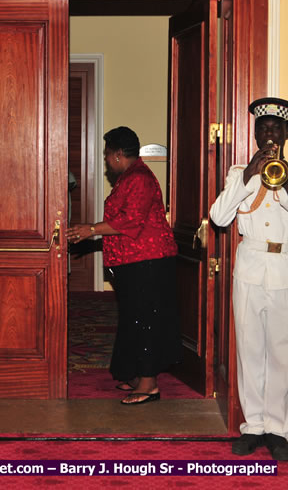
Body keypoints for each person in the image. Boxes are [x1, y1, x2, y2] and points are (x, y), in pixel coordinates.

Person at [209, 97, 288, 461]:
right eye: (263, 129)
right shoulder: (237, 173)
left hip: (287, 269)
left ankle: (279, 430)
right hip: (251, 266)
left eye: (276, 129)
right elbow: (218, 217)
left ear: (287, 133)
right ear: (256, 134)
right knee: (250, 350)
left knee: (285, 353)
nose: (270, 134)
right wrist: (247, 179)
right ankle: (253, 427)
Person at [65, 126, 181, 405]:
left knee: (146, 321)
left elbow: (131, 220)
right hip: (135, 262)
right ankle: (137, 373)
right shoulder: (129, 177)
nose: (106, 160)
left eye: (107, 155)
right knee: (134, 318)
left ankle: (149, 383)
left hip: (149, 261)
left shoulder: (139, 178)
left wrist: (89, 229)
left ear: (118, 154)